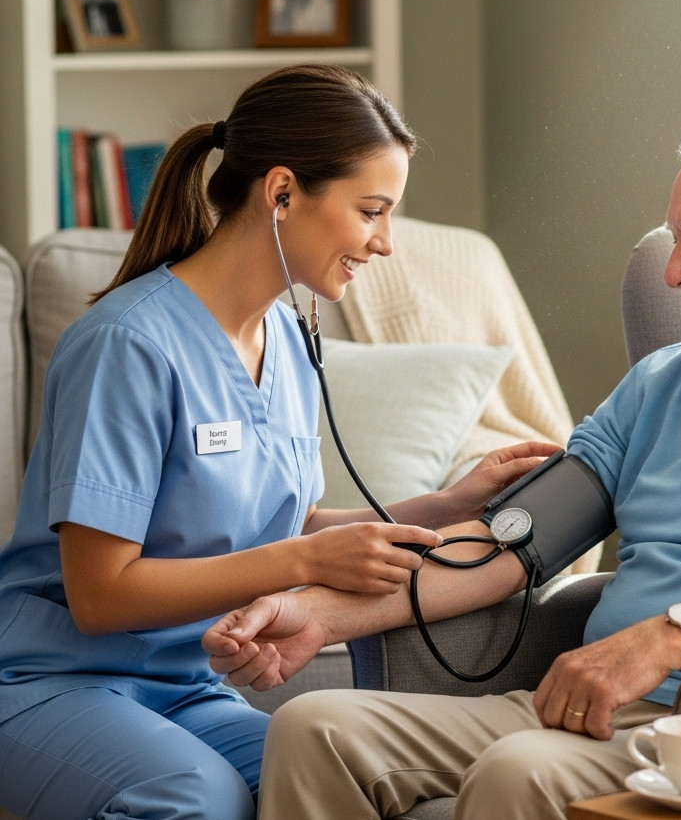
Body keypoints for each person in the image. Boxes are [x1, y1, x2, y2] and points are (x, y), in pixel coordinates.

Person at [203, 116, 681, 820]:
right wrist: (323, 615)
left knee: (519, 769)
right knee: (313, 726)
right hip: (576, 707)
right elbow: (504, 546)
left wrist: (673, 636)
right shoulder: (663, 383)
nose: (675, 272)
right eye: (675, 243)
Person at [0, 64, 555, 820]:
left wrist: (446, 503)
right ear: (283, 191)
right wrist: (301, 562)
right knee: (198, 796)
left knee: (343, 774)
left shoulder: (286, 343)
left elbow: (287, 524)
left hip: (186, 688)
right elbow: (100, 593)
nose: (386, 243)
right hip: (49, 683)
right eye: (372, 211)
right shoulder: (127, 344)